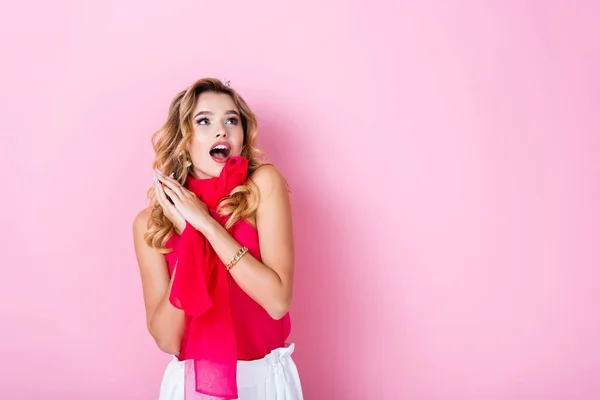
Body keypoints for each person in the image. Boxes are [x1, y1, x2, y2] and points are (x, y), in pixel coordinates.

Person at [132, 78, 303, 400]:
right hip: (190, 385)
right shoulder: (149, 224)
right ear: (184, 141)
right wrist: (192, 241)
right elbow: (168, 340)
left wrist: (206, 226)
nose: (221, 130)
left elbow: (277, 302)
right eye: (204, 120)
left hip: (263, 379)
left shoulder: (262, 186)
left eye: (231, 120)